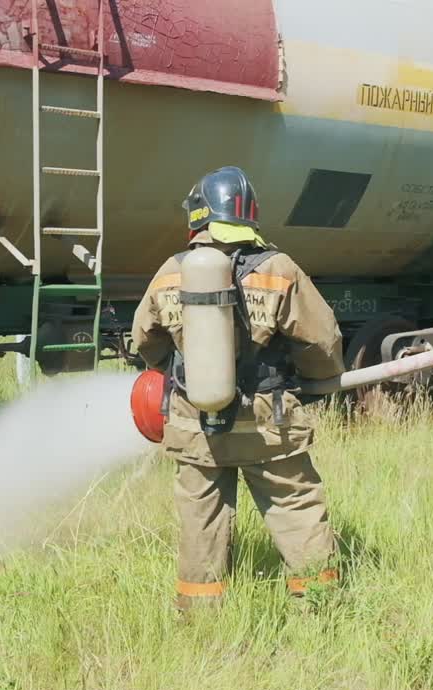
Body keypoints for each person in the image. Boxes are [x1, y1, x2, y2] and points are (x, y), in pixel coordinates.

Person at [131, 166, 346, 610]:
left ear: (199, 217)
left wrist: (177, 368)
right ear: (248, 216)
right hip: (267, 424)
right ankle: (319, 606)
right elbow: (321, 338)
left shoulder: (172, 271)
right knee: (295, 506)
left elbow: (144, 339)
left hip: (196, 427)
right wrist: (319, 382)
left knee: (200, 519)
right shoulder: (278, 268)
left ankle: (200, 613)